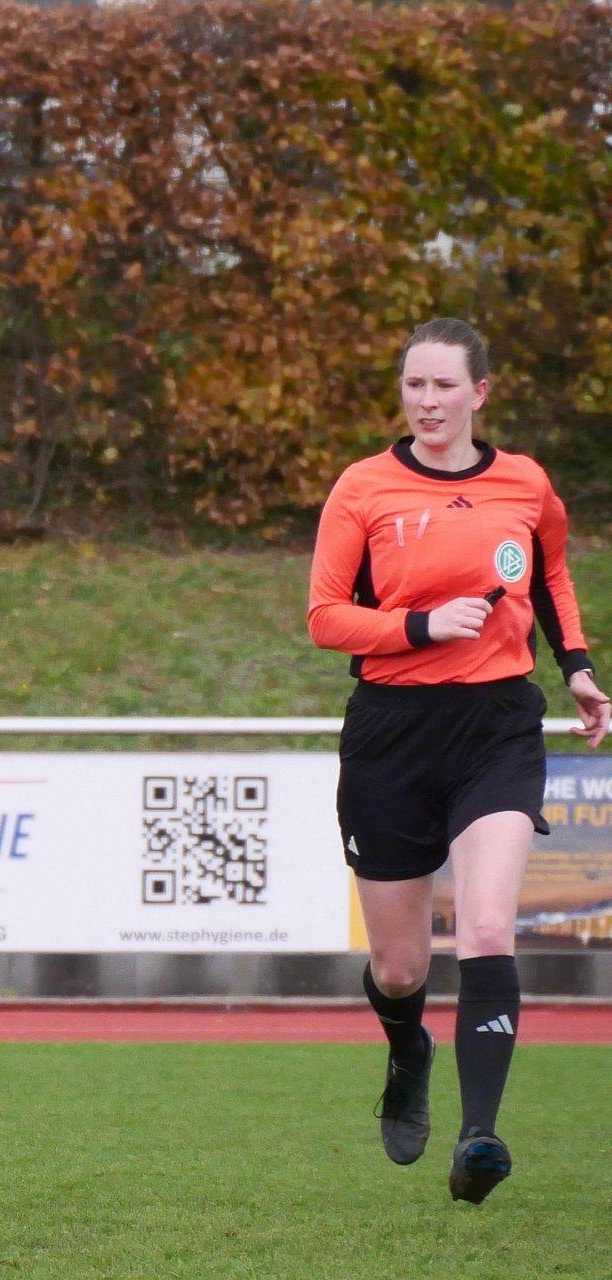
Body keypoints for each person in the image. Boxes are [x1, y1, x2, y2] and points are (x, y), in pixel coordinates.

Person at [308, 317, 608, 1206]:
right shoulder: (363, 486)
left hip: (497, 727)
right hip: (391, 734)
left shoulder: (525, 482)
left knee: (483, 930)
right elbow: (325, 617)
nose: (427, 401)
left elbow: (549, 576)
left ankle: (480, 1137)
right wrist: (420, 626)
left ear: (480, 392)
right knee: (402, 968)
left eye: (444, 385)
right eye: (415, 385)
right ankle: (409, 1050)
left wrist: (578, 667)